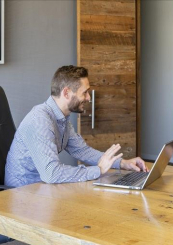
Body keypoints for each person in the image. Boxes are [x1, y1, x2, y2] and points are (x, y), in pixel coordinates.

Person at [5, 65, 148, 188]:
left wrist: (123, 163)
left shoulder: (62, 119)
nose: (89, 98)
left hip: (43, 188)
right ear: (66, 93)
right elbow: (52, 174)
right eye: (84, 92)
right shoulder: (40, 120)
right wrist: (98, 170)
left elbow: (83, 151)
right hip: (22, 194)